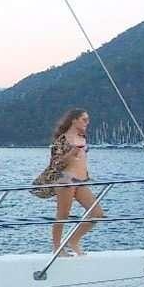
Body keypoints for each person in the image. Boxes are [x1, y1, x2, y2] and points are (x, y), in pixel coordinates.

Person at [35, 108, 104, 256]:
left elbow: (82, 161)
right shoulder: (62, 139)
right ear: (74, 120)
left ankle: (73, 240)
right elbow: (56, 162)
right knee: (63, 215)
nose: (87, 122)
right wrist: (71, 153)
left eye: (87, 119)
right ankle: (57, 248)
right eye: (84, 119)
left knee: (97, 213)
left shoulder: (82, 137)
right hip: (66, 180)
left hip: (80, 181)